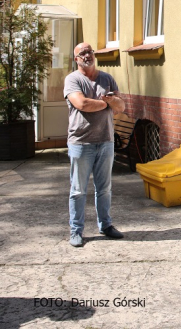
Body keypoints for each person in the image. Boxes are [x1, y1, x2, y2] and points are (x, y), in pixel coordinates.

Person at [64, 43, 126, 248]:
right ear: (76, 59)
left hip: (106, 141)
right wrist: (105, 103)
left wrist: (113, 102)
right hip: (81, 142)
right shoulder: (73, 79)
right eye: (82, 53)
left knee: (105, 188)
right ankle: (76, 231)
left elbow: (121, 107)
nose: (87, 55)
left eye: (89, 51)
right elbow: (81, 104)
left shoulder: (106, 78)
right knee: (78, 190)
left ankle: (106, 225)